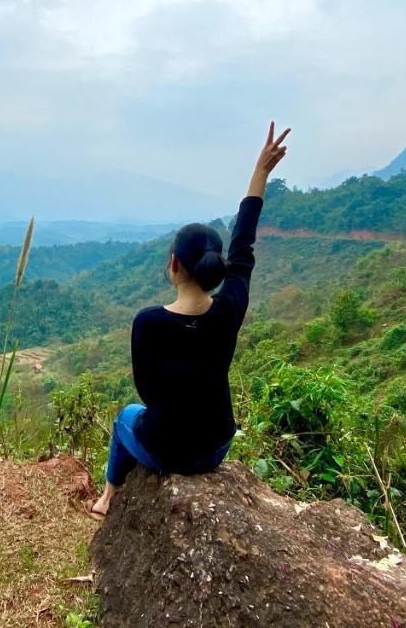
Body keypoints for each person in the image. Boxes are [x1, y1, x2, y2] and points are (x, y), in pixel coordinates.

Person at [89, 121, 290, 518]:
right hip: (216, 446)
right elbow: (244, 243)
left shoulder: (148, 323)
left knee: (126, 417)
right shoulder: (229, 309)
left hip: (168, 451)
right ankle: (110, 494)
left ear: (174, 264)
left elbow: (149, 395)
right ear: (216, 268)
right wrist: (261, 173)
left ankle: (108, 496)